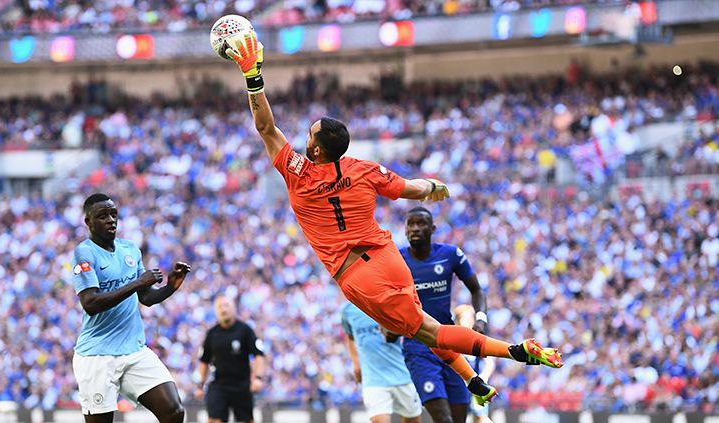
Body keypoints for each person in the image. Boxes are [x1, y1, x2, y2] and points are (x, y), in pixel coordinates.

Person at [224, 31, 563, 401]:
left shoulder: (298, 173)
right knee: (424, 326)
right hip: (387, 257)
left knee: (429, 332)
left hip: (358, 275)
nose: (304, 137)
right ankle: (473, 381)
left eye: (308, 135)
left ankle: (514, 350)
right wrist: (434, 186)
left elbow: (266, 128)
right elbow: (413, 189)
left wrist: (252, 76)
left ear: (316, 149)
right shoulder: (363, 168)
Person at [70, 193, 191, 423]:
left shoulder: (130, 250)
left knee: (173, 411)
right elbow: (90, 303)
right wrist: (137, 282)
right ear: (88, 222)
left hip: (134, 350)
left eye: (113, 214)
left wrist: (170, 287)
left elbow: (145, 298)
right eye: (103, 216)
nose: (111, 220)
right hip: (97, 356)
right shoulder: (84, 253)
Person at [400, 206, 492, 423]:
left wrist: (480, 318)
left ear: (432, 228)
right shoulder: (397, 259)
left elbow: (477, 290)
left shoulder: (450, 255)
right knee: (444, 419)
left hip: (448, 343)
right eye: (410, 224)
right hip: (418, 346)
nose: (415, 228)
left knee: (460, 419)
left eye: (420, 223)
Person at [341, 301, 423, 423]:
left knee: (413, 419)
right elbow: (350, 336)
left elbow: (411, 327)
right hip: (373, 379)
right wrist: (356, 364)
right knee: (379, 420)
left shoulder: (387, 303)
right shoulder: (348, 310)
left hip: (401, 374)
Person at [196, 294, 266, 423]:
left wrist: (258, 378)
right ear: (216, 311)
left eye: (226, 305)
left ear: (233, 308)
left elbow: (258, 355)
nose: (223, 309)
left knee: (247, 420)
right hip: (219, 385)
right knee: (214, 420)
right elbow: (204, 361)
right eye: (220, 307)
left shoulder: (245, 330)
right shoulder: (212, 334)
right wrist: (200, 386)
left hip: (242, 385)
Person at [455, 305, 495, 423]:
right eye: (462, 319)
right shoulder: (452, 342)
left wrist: (484, 377)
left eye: (468, 319)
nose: (465, 322)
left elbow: (489, 362)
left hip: (476, 386)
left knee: (480, 418)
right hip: (458, 387)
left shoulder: (477, 340)